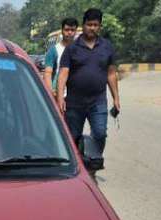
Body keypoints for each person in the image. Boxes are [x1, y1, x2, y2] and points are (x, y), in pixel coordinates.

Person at [56, 8, 120, 165]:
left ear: (100, 26)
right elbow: (63, 73)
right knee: (72, 136)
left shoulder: (107, 46)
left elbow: (111, 74)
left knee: (100, 134)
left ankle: (93, 163)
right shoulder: (72, 48)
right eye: (89, 24)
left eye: (95, 25)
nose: (92, 28)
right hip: (74, 103)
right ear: (83, 25)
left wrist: (116, 98)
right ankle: (76, 166)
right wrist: (60, 98)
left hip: (98, 101)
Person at [43, 18, 78, 90]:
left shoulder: (80, 49)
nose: (69, 32)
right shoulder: (53, 50)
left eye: (72, 30)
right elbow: (48, 73)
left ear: (75, 31)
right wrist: (51, 92)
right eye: (67, 30)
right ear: (62, 31)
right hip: (58, 93)